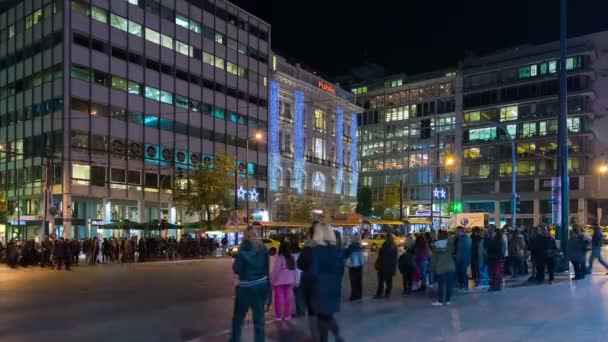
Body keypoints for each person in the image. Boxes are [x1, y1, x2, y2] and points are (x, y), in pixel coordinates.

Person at [230, 227, 269, 342]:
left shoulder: (242, 250)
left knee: (238, 318)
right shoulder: (263, 249)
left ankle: (235, 339)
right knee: (259, 319)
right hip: (261, 285)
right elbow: (267, 269)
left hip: (246, 287)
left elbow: (236, 269)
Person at [309, 223, 345, 342]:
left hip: (321, 288)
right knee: (327, 315)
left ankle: (329, 338)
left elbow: (313, 272)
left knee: (322, 317)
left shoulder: (317, 252)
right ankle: (337, 335)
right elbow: (341, 270)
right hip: (334, 288)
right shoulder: (338, 251)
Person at [298, 222, 320, 340]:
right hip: (326, 283)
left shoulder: (308, 247)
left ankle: (315, 337)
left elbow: (300, 264)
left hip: (311, 283)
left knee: (312, 312)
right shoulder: (329, 246)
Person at [270, 243, 298, 321]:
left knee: (278, 299)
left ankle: (278, 316)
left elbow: (276, 270)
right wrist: (295, 280)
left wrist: (272, 280)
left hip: (279, 281)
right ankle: (287, 315)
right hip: (289, 281)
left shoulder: (279, 258)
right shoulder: (291, 258)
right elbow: (295, 270)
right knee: (288, 299)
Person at [431, 230, 455, 306]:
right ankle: (448, 300)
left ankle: (440, 301)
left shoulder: (434, 245)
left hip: (440, 268)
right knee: (449, 285)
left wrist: (431, 268)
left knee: (441, 285)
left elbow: (434, 259)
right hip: (450, 266)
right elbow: (453, 252)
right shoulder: (450, 244)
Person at [374, 232, 398, 298]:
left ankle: (379, 293)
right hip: (391, 266)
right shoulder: (394, 245)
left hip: (383, 266)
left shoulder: (385, 245)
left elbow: (381, 256)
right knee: (389, 280)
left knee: (381, 280)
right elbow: (395, 257)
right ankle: (388, 292)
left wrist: (377, 263)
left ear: (387, 238)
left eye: (385, 237)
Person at [344, 233, 364, 301]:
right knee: (358, 281)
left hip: (353, 266)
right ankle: (359, 295)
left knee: (353, 282)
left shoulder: (351, 246)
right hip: (360, 266)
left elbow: (345, 255)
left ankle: (354, 296)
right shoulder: (360, 246)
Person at [486, 226, 505, 291]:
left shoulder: (499, 240)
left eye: (491, 230)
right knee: (491, 273)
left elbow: (501, 249)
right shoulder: (489, 239)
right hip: (490, 259)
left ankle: (497, 285)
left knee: (497, 273)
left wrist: (501, 258)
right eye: (489, 230)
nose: (490, 231)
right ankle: (493, 285)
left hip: (497, 259)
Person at [291, 243, 305, 317]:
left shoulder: (293, 257)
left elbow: (296, 270)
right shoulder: (301, 255)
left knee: (297, 295)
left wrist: (296, 281)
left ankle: (299, 311)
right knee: (301, 294)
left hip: (297, 277)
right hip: (302, 276)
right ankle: (301, 310)